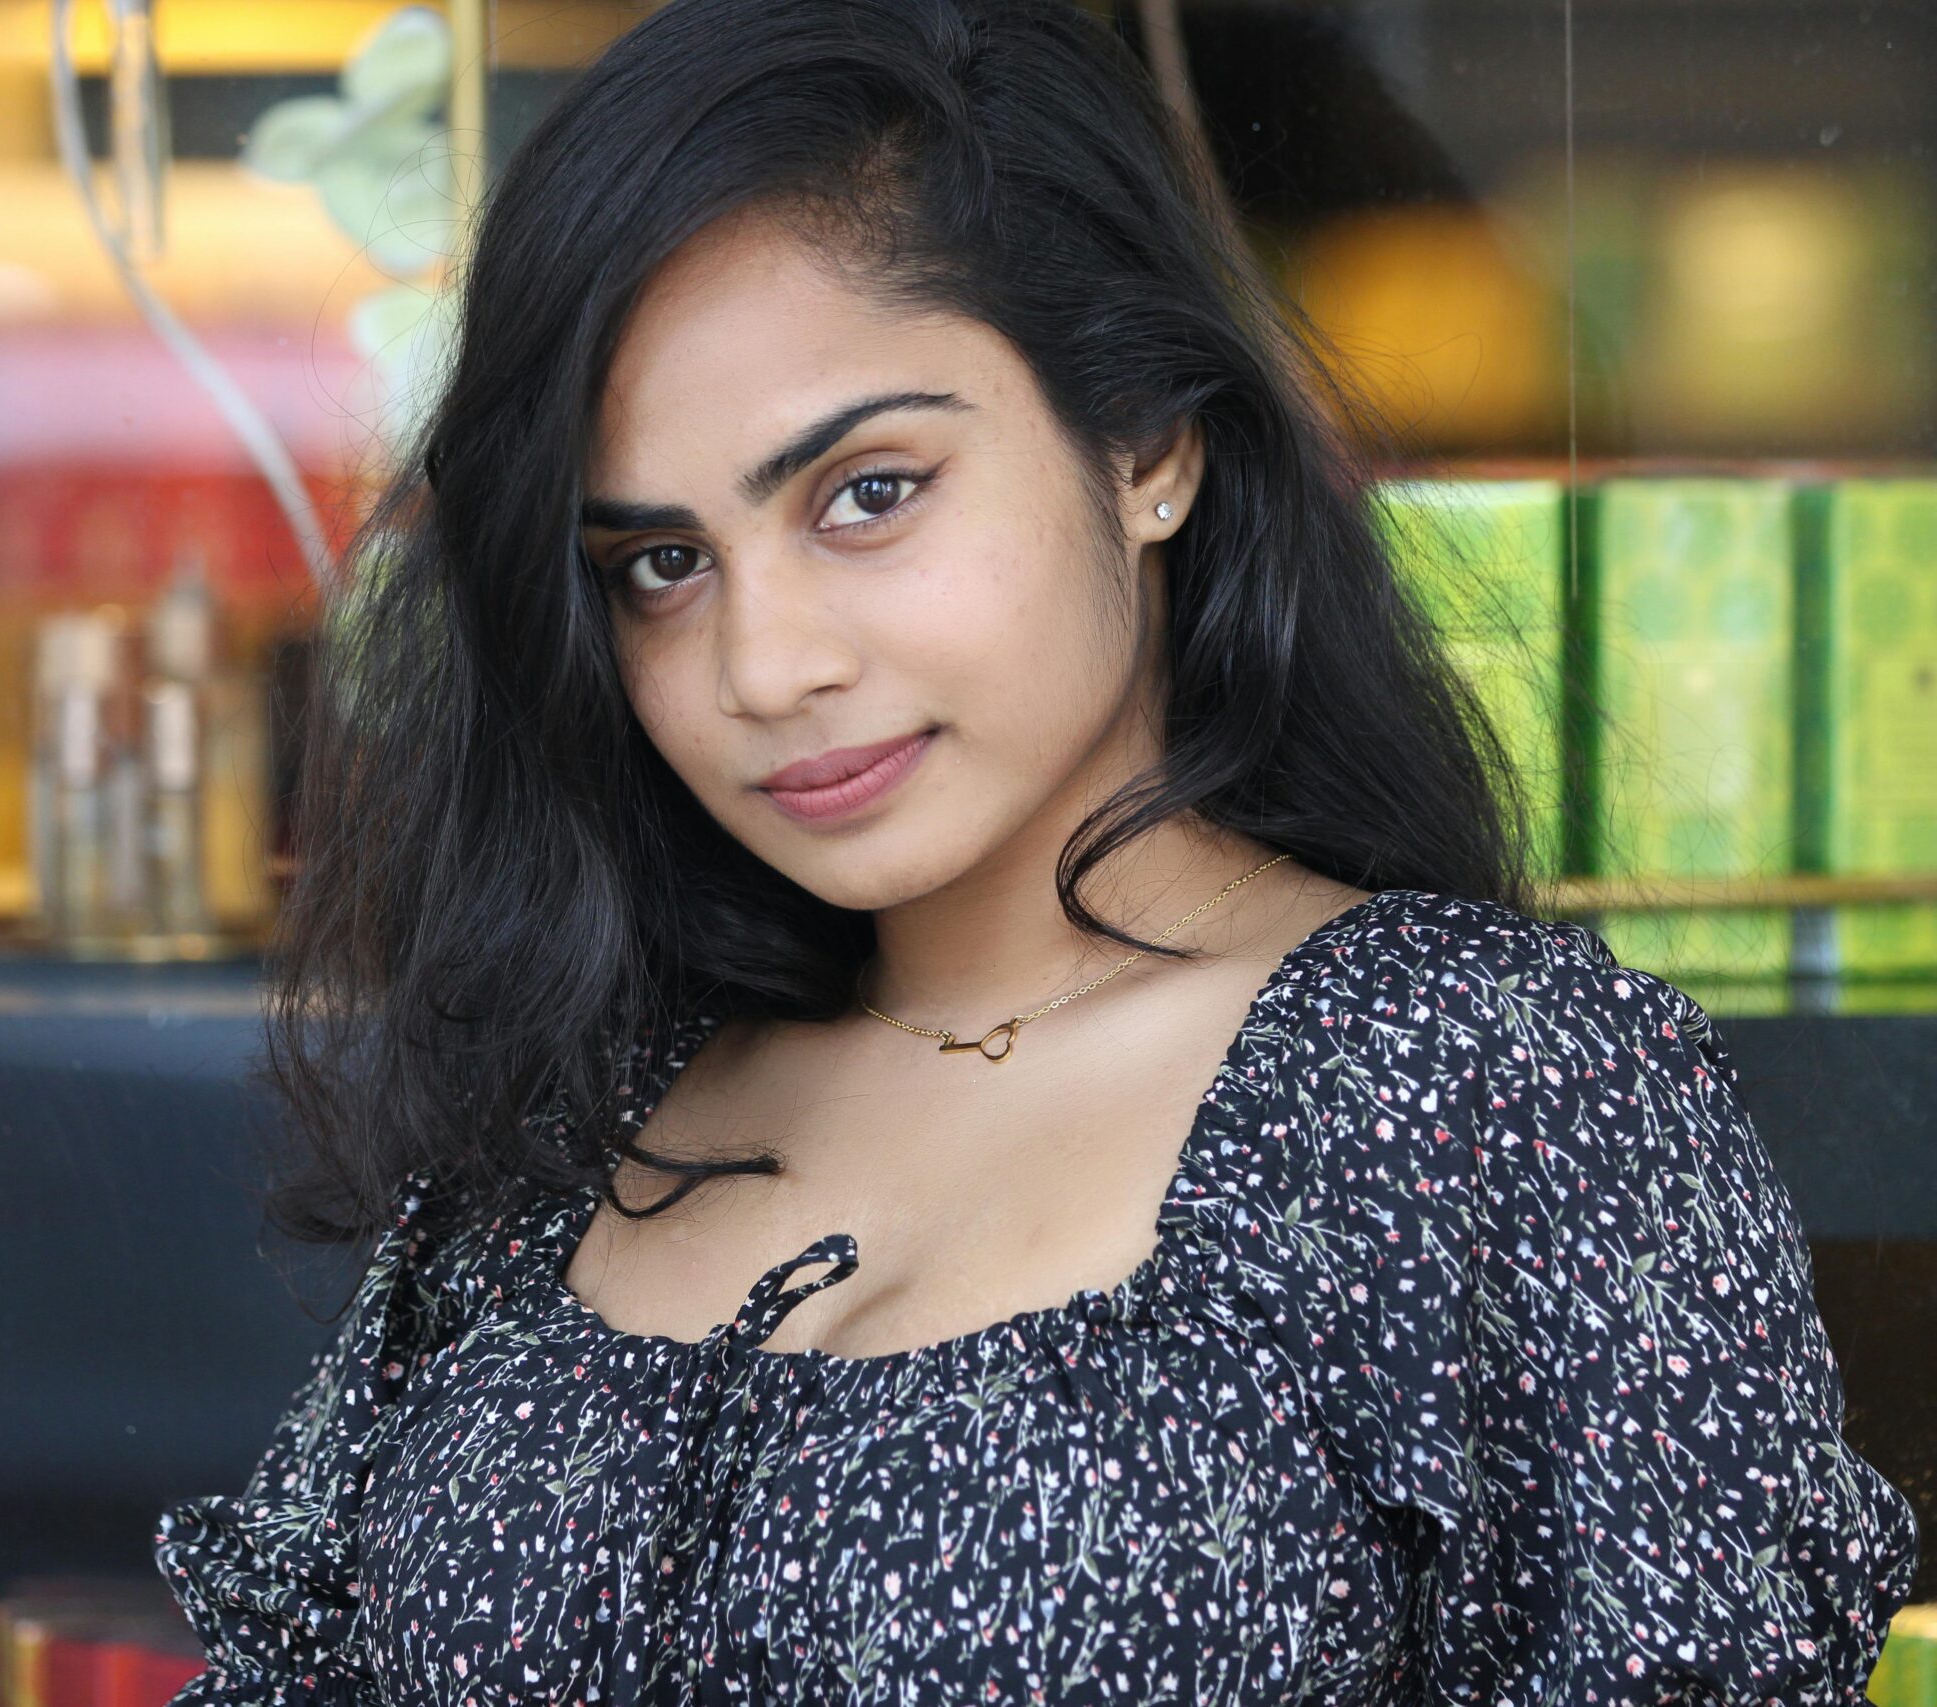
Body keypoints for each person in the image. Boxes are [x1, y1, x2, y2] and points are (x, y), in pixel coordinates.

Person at [154, 0, 1920, 1699]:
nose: (767, 668)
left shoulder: (1484, 1090)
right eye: (658, 566)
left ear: (1147, 446)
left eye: (868, 492)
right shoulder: (585, 1086)